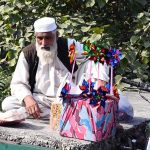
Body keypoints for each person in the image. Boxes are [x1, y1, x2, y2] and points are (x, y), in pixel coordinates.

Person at [0, 17, 118, 124]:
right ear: (35, 37)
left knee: (94, 62)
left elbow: (101, 54)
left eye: (48, 38)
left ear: (56, 35)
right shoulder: (28, 53)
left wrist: (100, 82)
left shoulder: (69, 46)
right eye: (40, 38)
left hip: (70, 98)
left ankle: (70, 112)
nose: (44, 43)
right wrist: (28, 99)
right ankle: (74, 114)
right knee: (8, 103)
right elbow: (18, 83)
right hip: (41, 100)